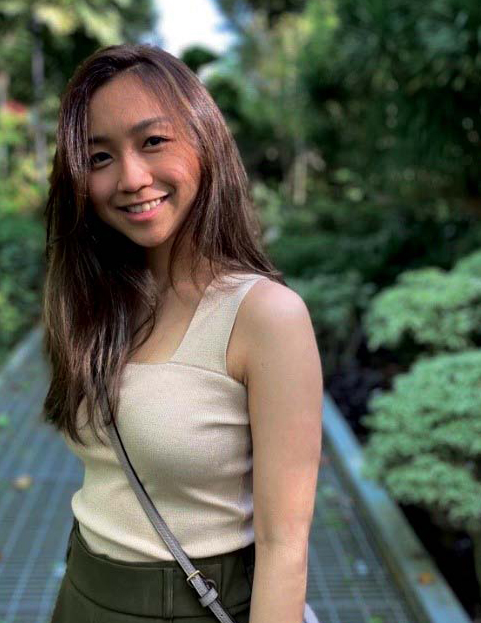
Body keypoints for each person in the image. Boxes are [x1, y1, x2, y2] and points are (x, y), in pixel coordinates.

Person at [42, 43, 323, 623]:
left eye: (153, 141)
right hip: (83, 593)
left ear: (203, 139)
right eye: (99, 157)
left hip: (195, 603)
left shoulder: (265, 317)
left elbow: (284, 547)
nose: (131, 178)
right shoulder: (98, 300)